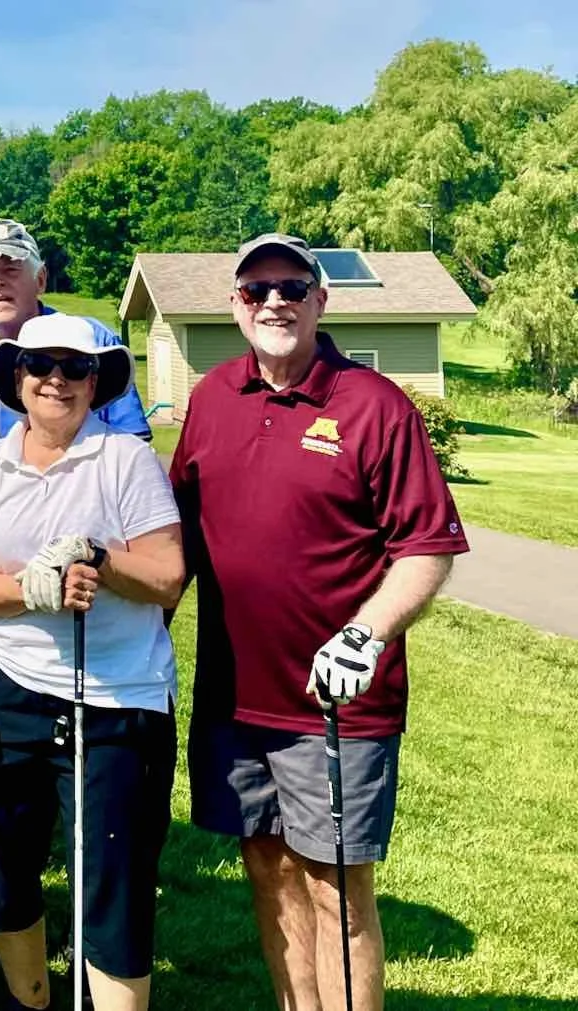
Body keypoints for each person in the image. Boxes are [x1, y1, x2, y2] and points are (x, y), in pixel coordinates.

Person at [169, 234, 470, 1011]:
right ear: (235, 305)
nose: (275, 301)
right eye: (256, 288)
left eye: (292, 287)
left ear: (320, 300)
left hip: (336, 701)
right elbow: (179, 539)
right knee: (266, 869)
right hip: (235, 698)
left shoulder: (374, 406)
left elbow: (425, 549)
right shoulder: (211, 398)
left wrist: (367, 635)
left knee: (336, 885)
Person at [0, 218, 150, 954]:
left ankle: (76, 911)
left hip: (74, 583)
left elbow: (131, 445)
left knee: (66, 742)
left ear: (40, 277)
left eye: (12, 266)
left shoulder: (84, 343)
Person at [0, 312, 183, 1011]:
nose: (57, 379)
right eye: (41, 365)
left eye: (75, 368)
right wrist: (33, 586)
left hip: (117, 698)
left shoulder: (124, 459)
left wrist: (101, 560)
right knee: (7, 868)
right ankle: (32, 1001)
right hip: (13, 693)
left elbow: (168, 575)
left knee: (110, 880)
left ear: (96, 384)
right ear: (16, 377)